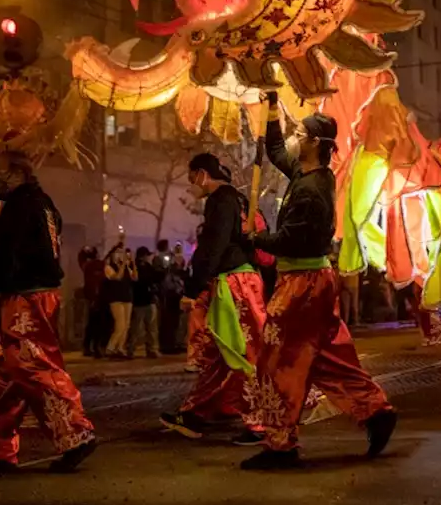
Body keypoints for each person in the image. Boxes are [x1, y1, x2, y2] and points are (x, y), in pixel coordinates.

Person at [240, 92, 395, 469]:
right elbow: (276, 150)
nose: (293, 136)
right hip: (306, 283)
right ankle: (375, 411)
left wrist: (255, 238)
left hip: (303, 285)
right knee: (324, 358)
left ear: (313, 144)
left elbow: (296, 239)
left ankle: (281, 446)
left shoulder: (312, 190)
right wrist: (272, 108)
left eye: (299, 132)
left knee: (280, 361)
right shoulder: (304, 173)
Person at [0, 150, 95, 473]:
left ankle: (75, 433)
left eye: (2, 171)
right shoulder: (43, 203)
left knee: (33, 366)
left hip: (27, 296)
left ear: (18, 174)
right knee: (12, 375)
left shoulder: (21, 206)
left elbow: (3, 254)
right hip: (35, 293)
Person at [160, 153, 269, 444]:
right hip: (245, 280)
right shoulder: (241, 200)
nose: (191, 185)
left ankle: (261, 422)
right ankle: (195, 413)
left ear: (202, 175)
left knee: (243, 352)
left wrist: (193, 289)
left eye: (191, 177)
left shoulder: (219, 200)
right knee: (220, 353)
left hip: (234, 285)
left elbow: (213, 245)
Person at [102, 242, 136, 358]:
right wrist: (122, 265)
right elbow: (117, 277)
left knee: (126, 325)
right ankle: (110, 347)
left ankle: (120, 348)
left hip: (127, 297)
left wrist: (132, 263)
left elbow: (135, 277)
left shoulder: (126, 266)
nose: (120, 256)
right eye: (117, 253)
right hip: (116, 298)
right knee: (120, 324)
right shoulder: (108, 267)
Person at [127, 247, 160, 359]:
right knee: (136, 328)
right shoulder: (135, 266)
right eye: (146, 255)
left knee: (151, 328)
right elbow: (137, 281)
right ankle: (130, 349)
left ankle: (151, 349)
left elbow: (156, 277)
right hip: (139, 301)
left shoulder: (148, 267)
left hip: (149, 300)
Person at [79, 246, 110, 358]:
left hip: (93, 298)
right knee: (97, 324)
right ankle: (95, 347)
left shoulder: (87, 266)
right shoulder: (98, 265)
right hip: (98, 298)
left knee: (92, 324)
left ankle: (89, 347)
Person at [159, 250, 187, 355]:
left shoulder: (179, 275)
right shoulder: (170, 275)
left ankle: (173, 344)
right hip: (170, 301)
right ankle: (167, 346)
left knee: (176, 324)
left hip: (176, 301)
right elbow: (168, 286)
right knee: (169, 324)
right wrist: (177, 290)